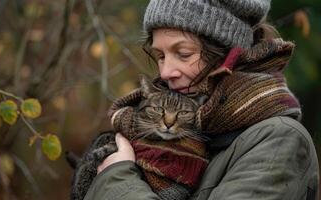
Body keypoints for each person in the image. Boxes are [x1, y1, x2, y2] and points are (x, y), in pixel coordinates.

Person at [84, 0, 320, 199]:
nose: (165, 72)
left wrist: (116, 179)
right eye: (160, 55)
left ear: (227, 55)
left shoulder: (279, 140)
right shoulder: (173, 130)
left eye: (183, 54)